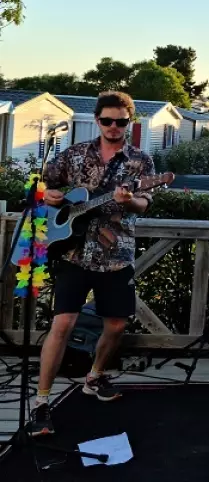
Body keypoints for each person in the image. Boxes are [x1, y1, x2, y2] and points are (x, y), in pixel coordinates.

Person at [27, 92, 155, 436]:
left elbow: (145, 202)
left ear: (129, 122)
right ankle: (41, 401)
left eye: (121, 122)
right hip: (73, 251)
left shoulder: (141, 162)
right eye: (107, 121)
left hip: (116, 255)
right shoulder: (75, 153)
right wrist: (50, 195)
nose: (114, 127)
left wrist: (129, 201)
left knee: (116, 325)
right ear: (97, 120)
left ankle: (94, 376)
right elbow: (46, 184)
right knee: (63, 323)